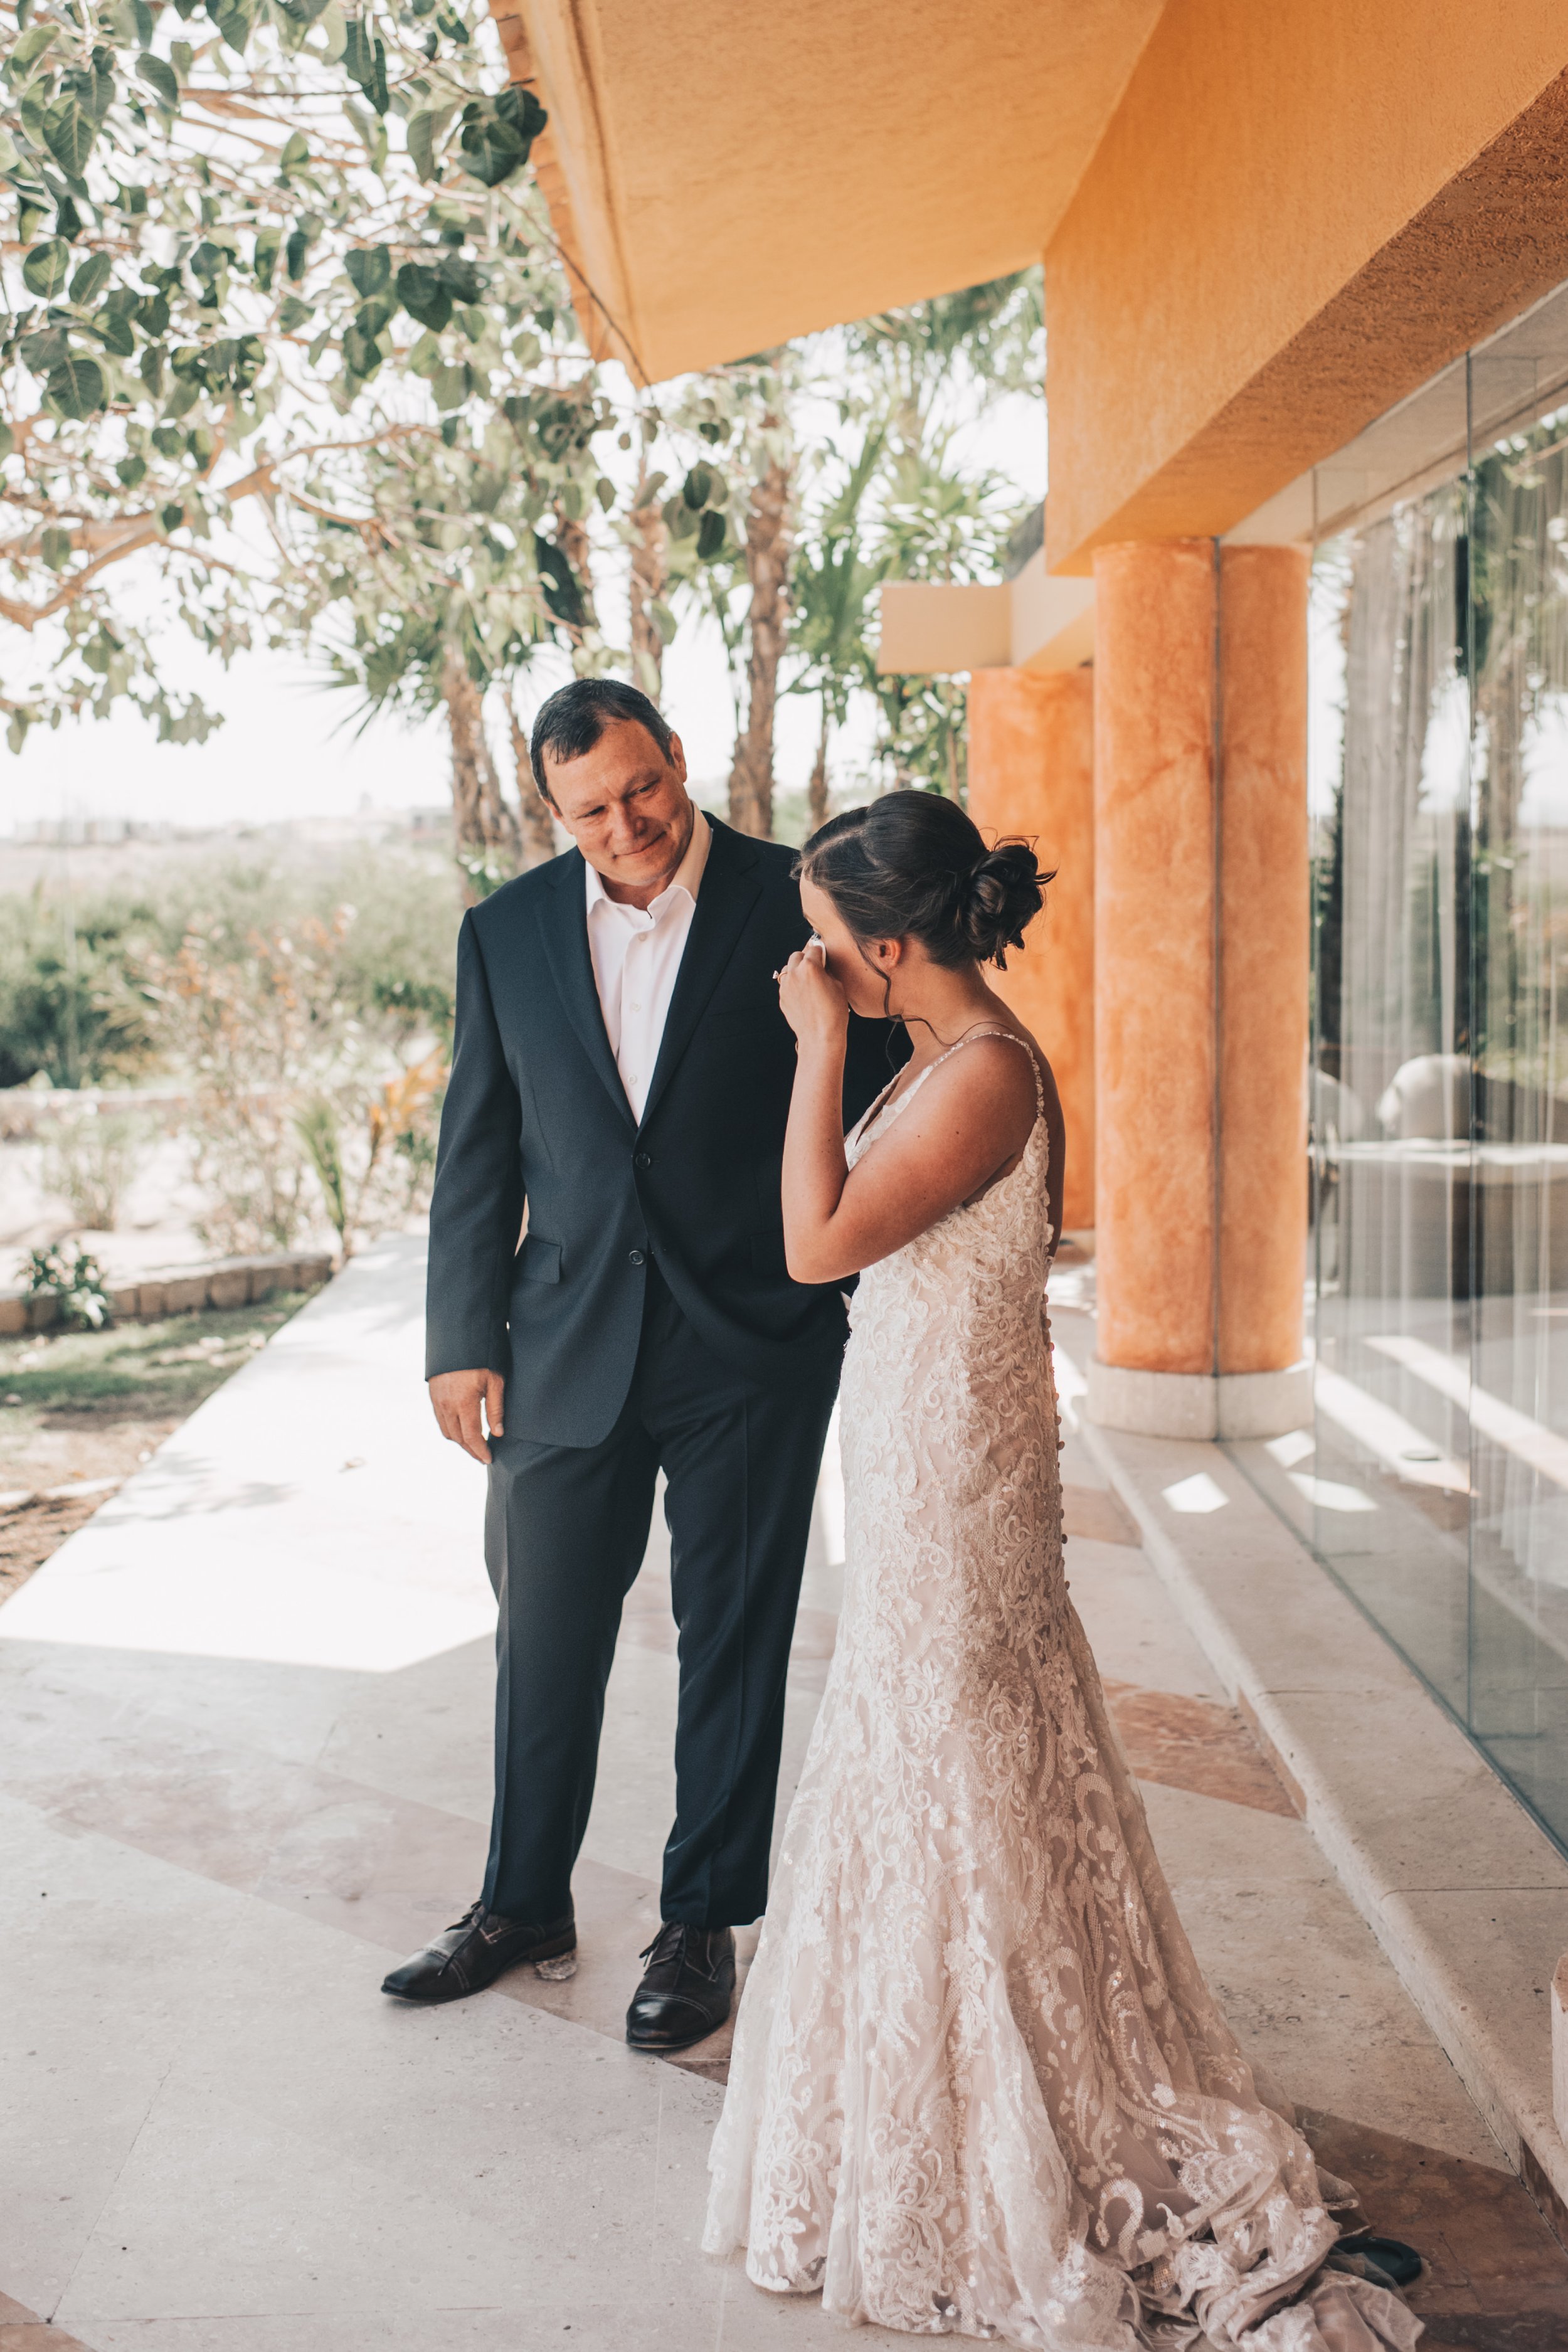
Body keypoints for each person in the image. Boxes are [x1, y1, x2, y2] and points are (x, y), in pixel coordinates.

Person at [704, 795, 1421, 2351]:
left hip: (957, 1494)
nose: (810, 963)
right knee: (921, 1766)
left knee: (959, 1770)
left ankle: (1010, 2132)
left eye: (828, 942)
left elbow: (815, 1244)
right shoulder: (944, 1062)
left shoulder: (984, 1080)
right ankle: (917, 2109)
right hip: (917, 1464)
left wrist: (813, 1048)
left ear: (887, 947)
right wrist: (848, 1047)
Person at [381, 677, 898, 2050]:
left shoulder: (801, 899)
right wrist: (457, 1342)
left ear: (678, 758)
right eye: (590, 810)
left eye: (640, 790)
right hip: (558, 1344)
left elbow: (890, 1105)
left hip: (752, 1345)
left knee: (733, 1643)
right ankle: (518, 1903)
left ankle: (698, 1921)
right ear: (554, 811)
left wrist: (848, 1285)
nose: (625, 826)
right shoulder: (503, 935)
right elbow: (475, 1150)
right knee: (541, 1633)